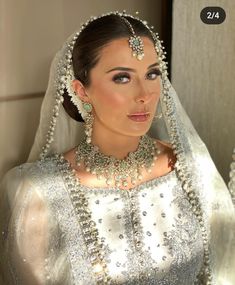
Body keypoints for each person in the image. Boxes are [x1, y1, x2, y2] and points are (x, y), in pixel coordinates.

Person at [0, 11, 234, 285]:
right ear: (82, 91)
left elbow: (222, 266)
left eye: (152, 73)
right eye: (122, 78)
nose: (144, 95)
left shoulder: (189, 165)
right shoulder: (39, 190)